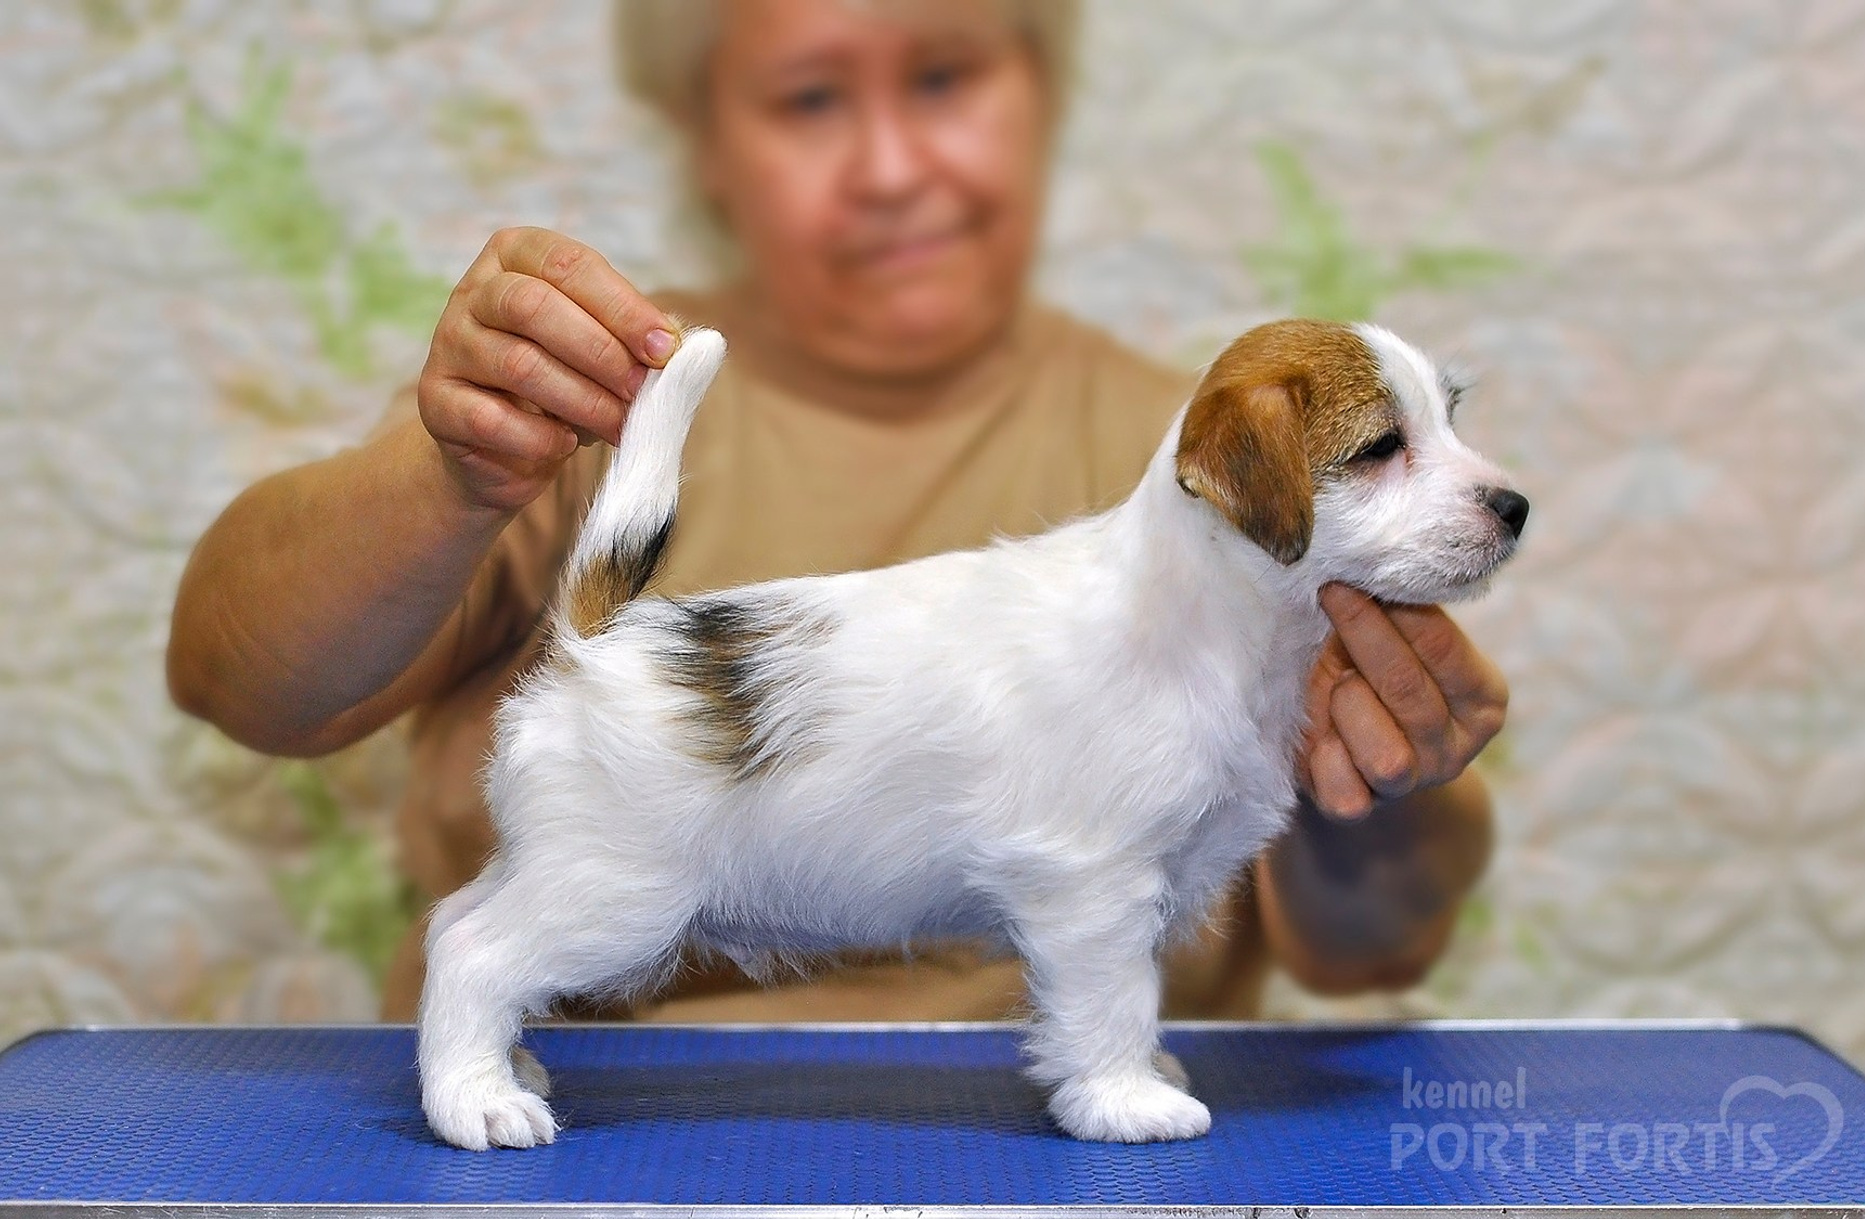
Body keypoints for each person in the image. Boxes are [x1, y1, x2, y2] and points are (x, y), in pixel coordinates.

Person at [167, 0, 1508, 1024]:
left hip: (1061, 1174)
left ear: (1042, 93)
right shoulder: (576, 405)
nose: (890, 165)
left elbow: (1374, 950)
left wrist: (1374, 775)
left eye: (944, 76)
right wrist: (449, 468)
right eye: (810, 97)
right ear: (706, 145)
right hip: (594, 1125)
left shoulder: (1243, 458)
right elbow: (240, 682)